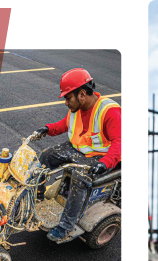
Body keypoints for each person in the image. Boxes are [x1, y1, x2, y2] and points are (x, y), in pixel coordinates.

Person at [31, 68, 120, 244]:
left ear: (81, 94)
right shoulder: (77, 108)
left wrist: (104, 163)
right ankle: (38, 199)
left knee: (80, 178)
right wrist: (48, 128)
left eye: (67, 97)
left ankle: (66, 227)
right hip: (79, 150)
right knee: (46, 156)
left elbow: (121, 144)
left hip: (101, 157)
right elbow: (64, 124)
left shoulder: (108, 111)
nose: (65, 102)